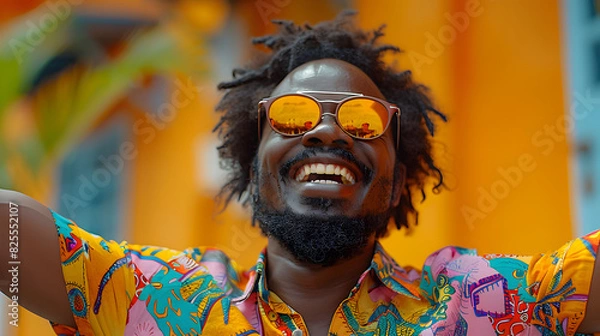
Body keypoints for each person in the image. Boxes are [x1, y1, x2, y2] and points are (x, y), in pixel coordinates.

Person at [1, 12, 600, 336]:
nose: (326, 132)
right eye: (292, 116)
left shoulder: (487, 304)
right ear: (251, 154)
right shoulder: (154, 301)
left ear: (399, 163)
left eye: (363, 122)